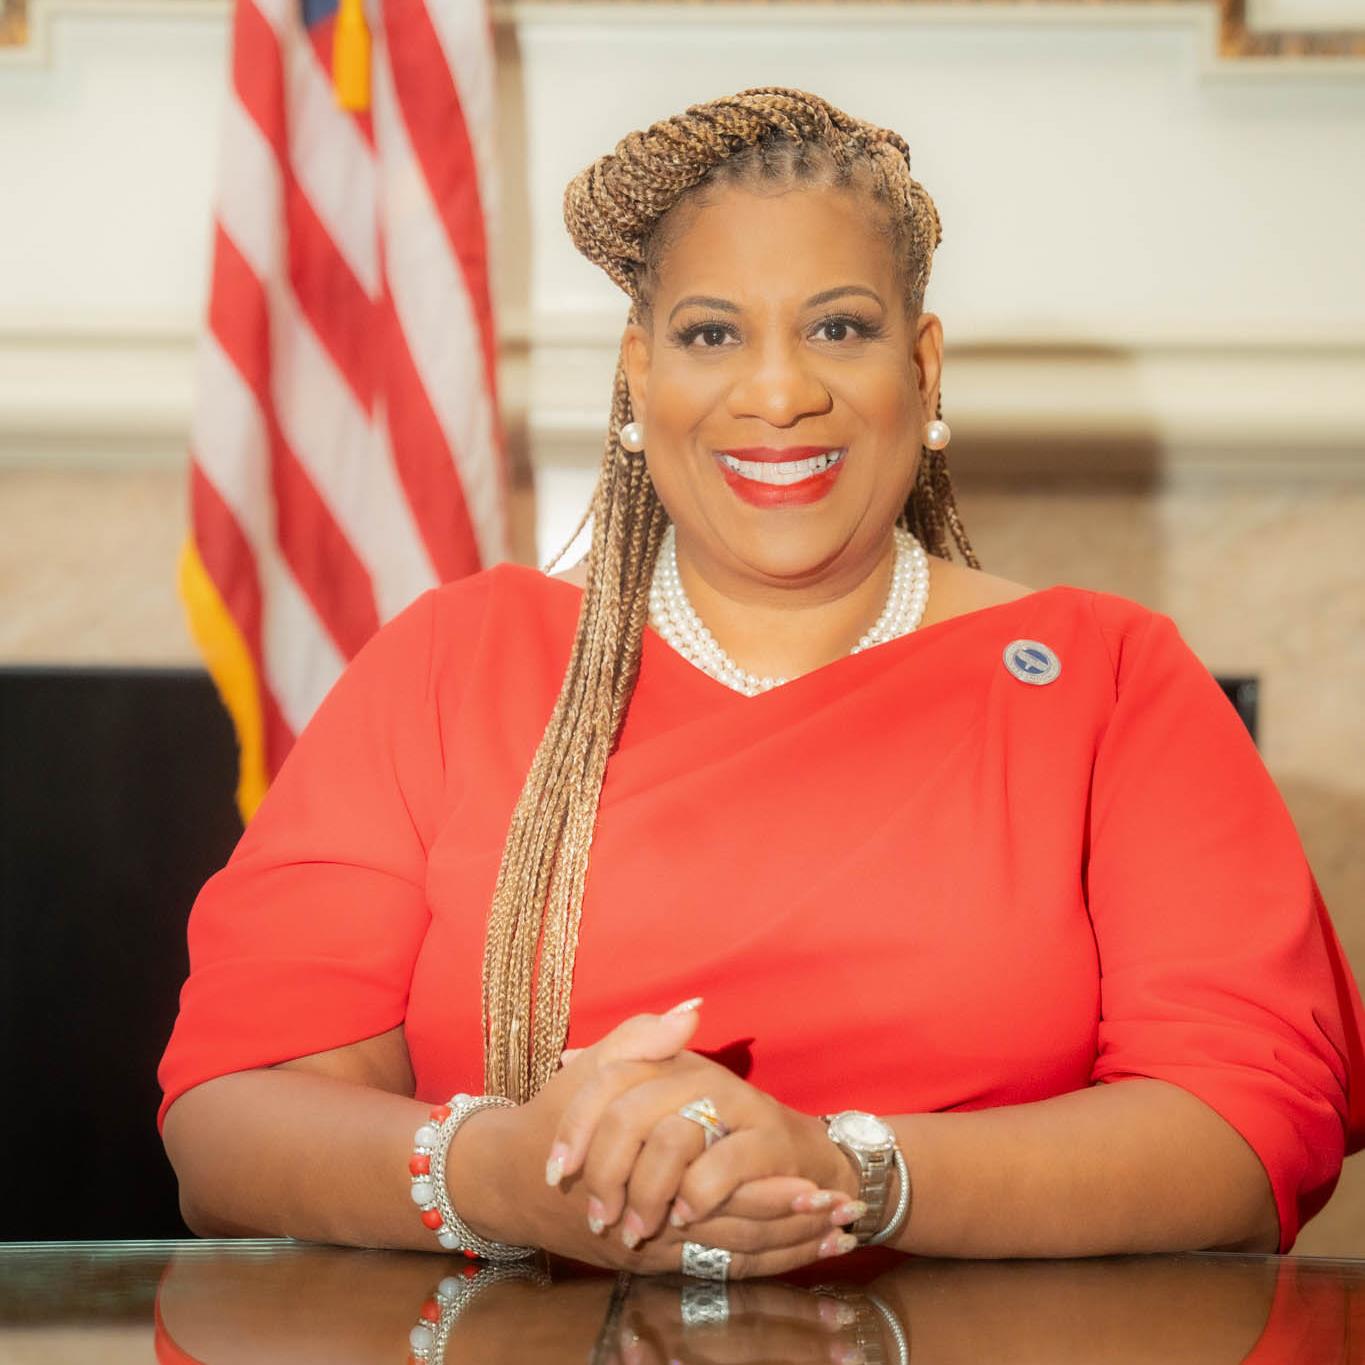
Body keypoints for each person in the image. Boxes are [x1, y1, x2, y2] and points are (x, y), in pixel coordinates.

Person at [158, 87, 1365, 1279]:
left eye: (838, 329)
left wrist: (852, 1176)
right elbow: (231, 1127)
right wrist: (505, 1177)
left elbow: (1250, 1127)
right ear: (640, 375)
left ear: (923, 367)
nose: (778, 392)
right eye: (710, 335)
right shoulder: (453, 662)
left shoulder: (1111, 682)